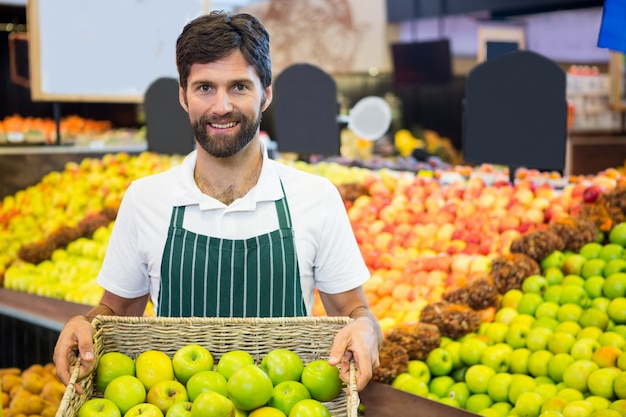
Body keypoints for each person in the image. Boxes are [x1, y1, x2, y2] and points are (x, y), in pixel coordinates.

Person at [53, 10, 381, 393]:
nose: (221, 106)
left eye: (239, 87)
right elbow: (115, 313)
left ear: (266, 94)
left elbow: (353, 313)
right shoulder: (146, 200)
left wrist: (367, 329)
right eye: (204, 87)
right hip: (176, 404)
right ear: (183, 95)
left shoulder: (314, 197)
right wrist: (84, 324)